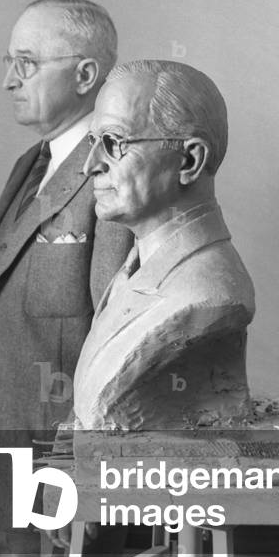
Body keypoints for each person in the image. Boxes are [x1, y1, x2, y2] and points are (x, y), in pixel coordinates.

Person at [0, 0, 132, 557]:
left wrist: (83, 447)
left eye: (26, 61)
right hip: (2, 437)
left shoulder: (112, 167)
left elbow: (117, 328)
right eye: (7, 60)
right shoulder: (35, 162)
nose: (8, 79)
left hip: (55, 446)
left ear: (86, 74)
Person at [72, 58, 254, 433]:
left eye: (112, 142)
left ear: (189, 160)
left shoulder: (209, 293)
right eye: (93, 142)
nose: (90, 165)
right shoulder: (135, 269)